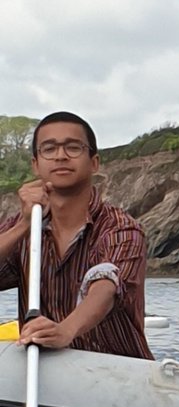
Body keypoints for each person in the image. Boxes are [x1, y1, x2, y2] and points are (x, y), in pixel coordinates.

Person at [0, 110, 152, 359]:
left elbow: (107, 286)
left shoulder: (121, 228)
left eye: (73, 147)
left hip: (116, 374)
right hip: (44, 372)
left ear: (94, 162)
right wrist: (24, 226)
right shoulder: (25, 225)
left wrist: (64, 331)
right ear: (36, 164)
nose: (61, 155)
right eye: (49, 149)